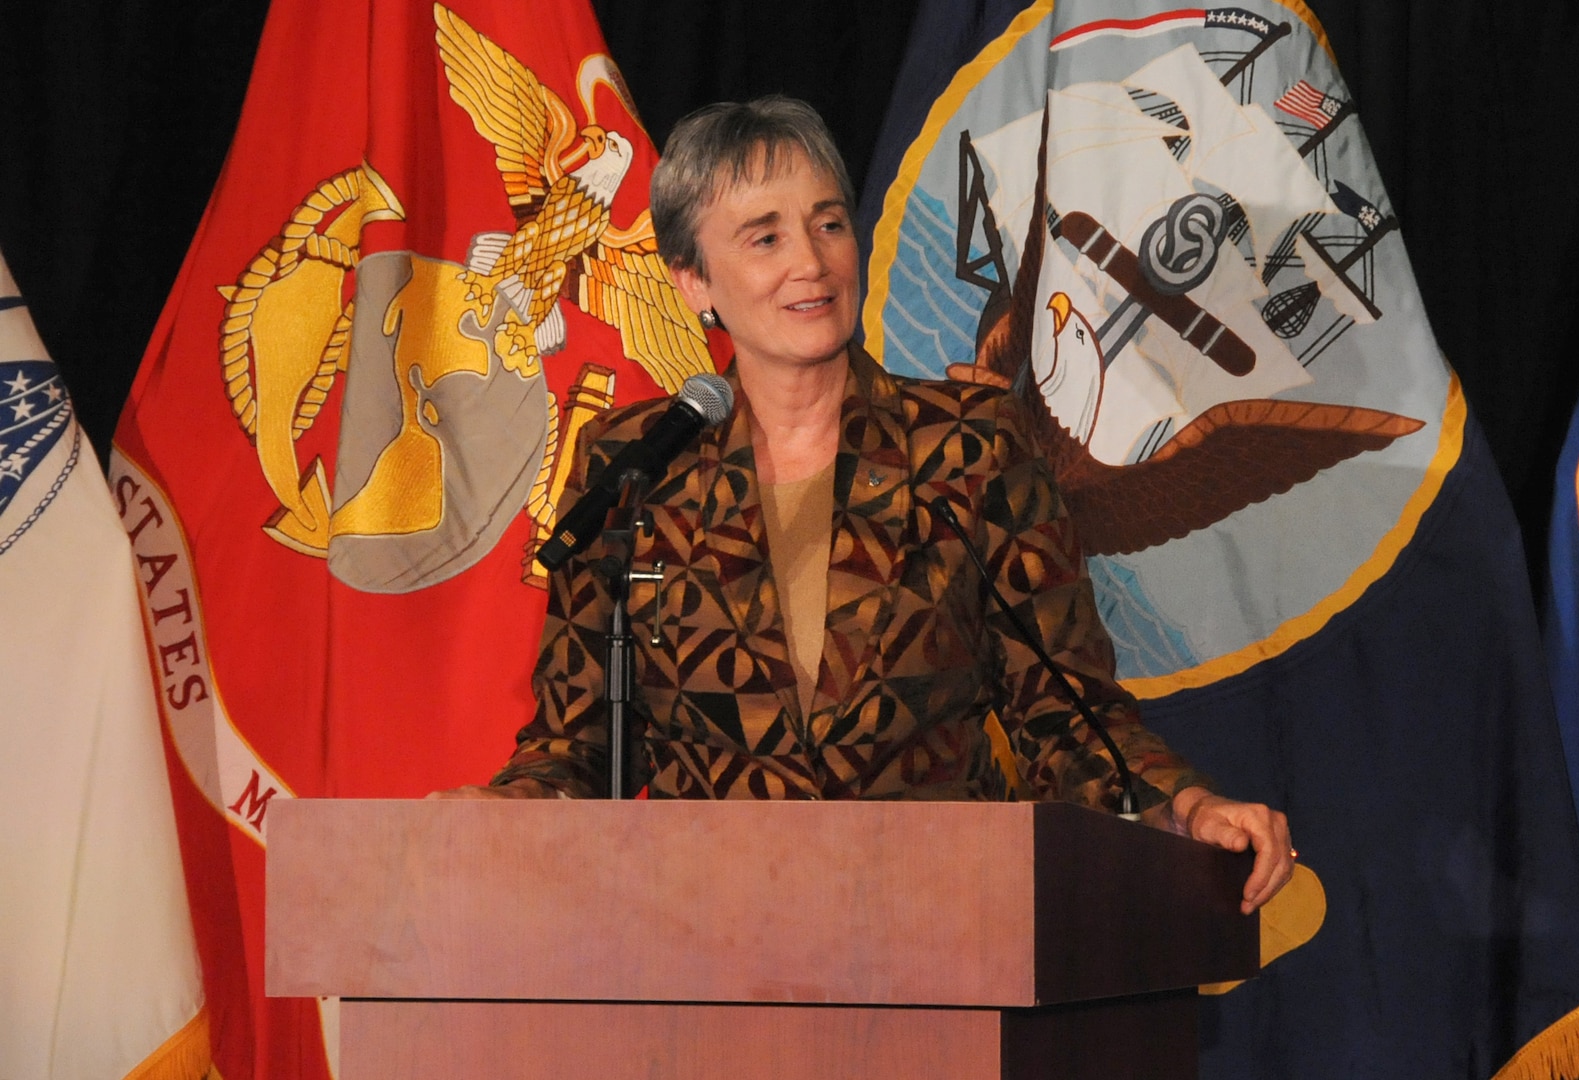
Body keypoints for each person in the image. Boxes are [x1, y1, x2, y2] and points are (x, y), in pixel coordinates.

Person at [433, 96, 1294, 916]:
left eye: (828, 223)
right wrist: (504, 806)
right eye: (764, 237)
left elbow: (1062, 711)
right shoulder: (635, 466)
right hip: (700, 943)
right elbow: (579, 743)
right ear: (693, 280)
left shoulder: (968, 446)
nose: (810, 262)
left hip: (945, 927)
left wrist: (1181, 806)